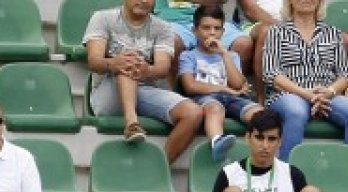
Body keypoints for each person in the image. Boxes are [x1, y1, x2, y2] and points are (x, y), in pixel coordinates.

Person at [84, 0, 205, 162]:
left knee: (194, 113)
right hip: (108, 94)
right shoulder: (103, 18)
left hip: (144, 91)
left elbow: (162, 68)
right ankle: (132, 124)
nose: (143, 1)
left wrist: (147, 70)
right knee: (129, 63)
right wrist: (115, 63)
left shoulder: (163, 27)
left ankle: (159, 170)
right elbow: (94, 62)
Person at [262, 0, 348, 162]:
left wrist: (329, 92)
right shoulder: (276, 32)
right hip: (288, 93)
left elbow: (346, 75)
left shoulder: (332, 33)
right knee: (295, 111)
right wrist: (306, 94)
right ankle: (287, 176)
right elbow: (271, 73)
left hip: (326, 94)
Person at [178, 4, 263, 162]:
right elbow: (190, 87)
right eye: (206, 28)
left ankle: (260, 150)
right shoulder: (188, 56)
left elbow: (237, 84)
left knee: (259, 113)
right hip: (203, 98)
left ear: (223, 32)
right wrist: (223, 88)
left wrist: (224, 54)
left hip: (232, 98)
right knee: (215, 108)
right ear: (195, 30)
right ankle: (217, 142)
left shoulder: (232, 55)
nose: (212, 33)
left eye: (217, 29)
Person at [155, 1, 252, 77]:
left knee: (243, 43)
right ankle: (178, 95)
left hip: (211, 20)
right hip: (174, 22)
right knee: (172, 40)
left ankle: (232, 92)